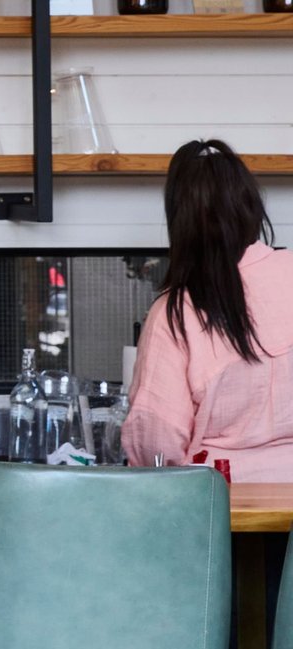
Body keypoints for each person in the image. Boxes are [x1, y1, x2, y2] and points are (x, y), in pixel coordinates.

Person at [125, 140, 292, 477]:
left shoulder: (176, 311)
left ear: (180, 221)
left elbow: (157, 442)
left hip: (221, 496)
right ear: (251, 205)